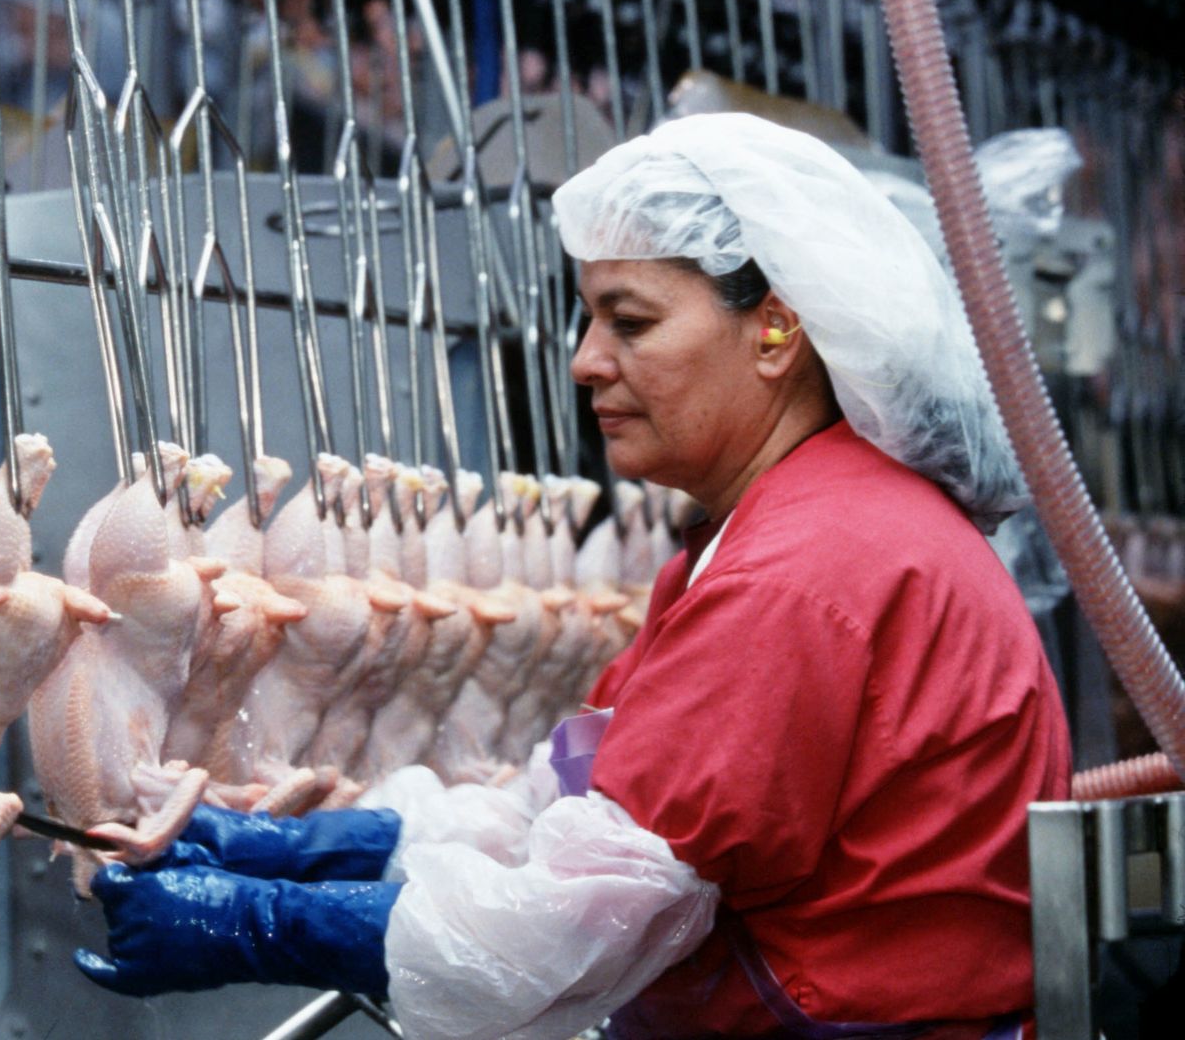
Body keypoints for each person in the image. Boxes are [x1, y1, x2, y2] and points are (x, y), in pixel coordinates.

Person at [70, 113, 1071, 1038]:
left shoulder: (804, 570)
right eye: (587, 321)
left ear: (776, 329)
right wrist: (315, 850)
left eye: (629, 322)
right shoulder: (768, 540)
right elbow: (570, 809)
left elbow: (581, 913)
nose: (586, 361)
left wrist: (259, 924)